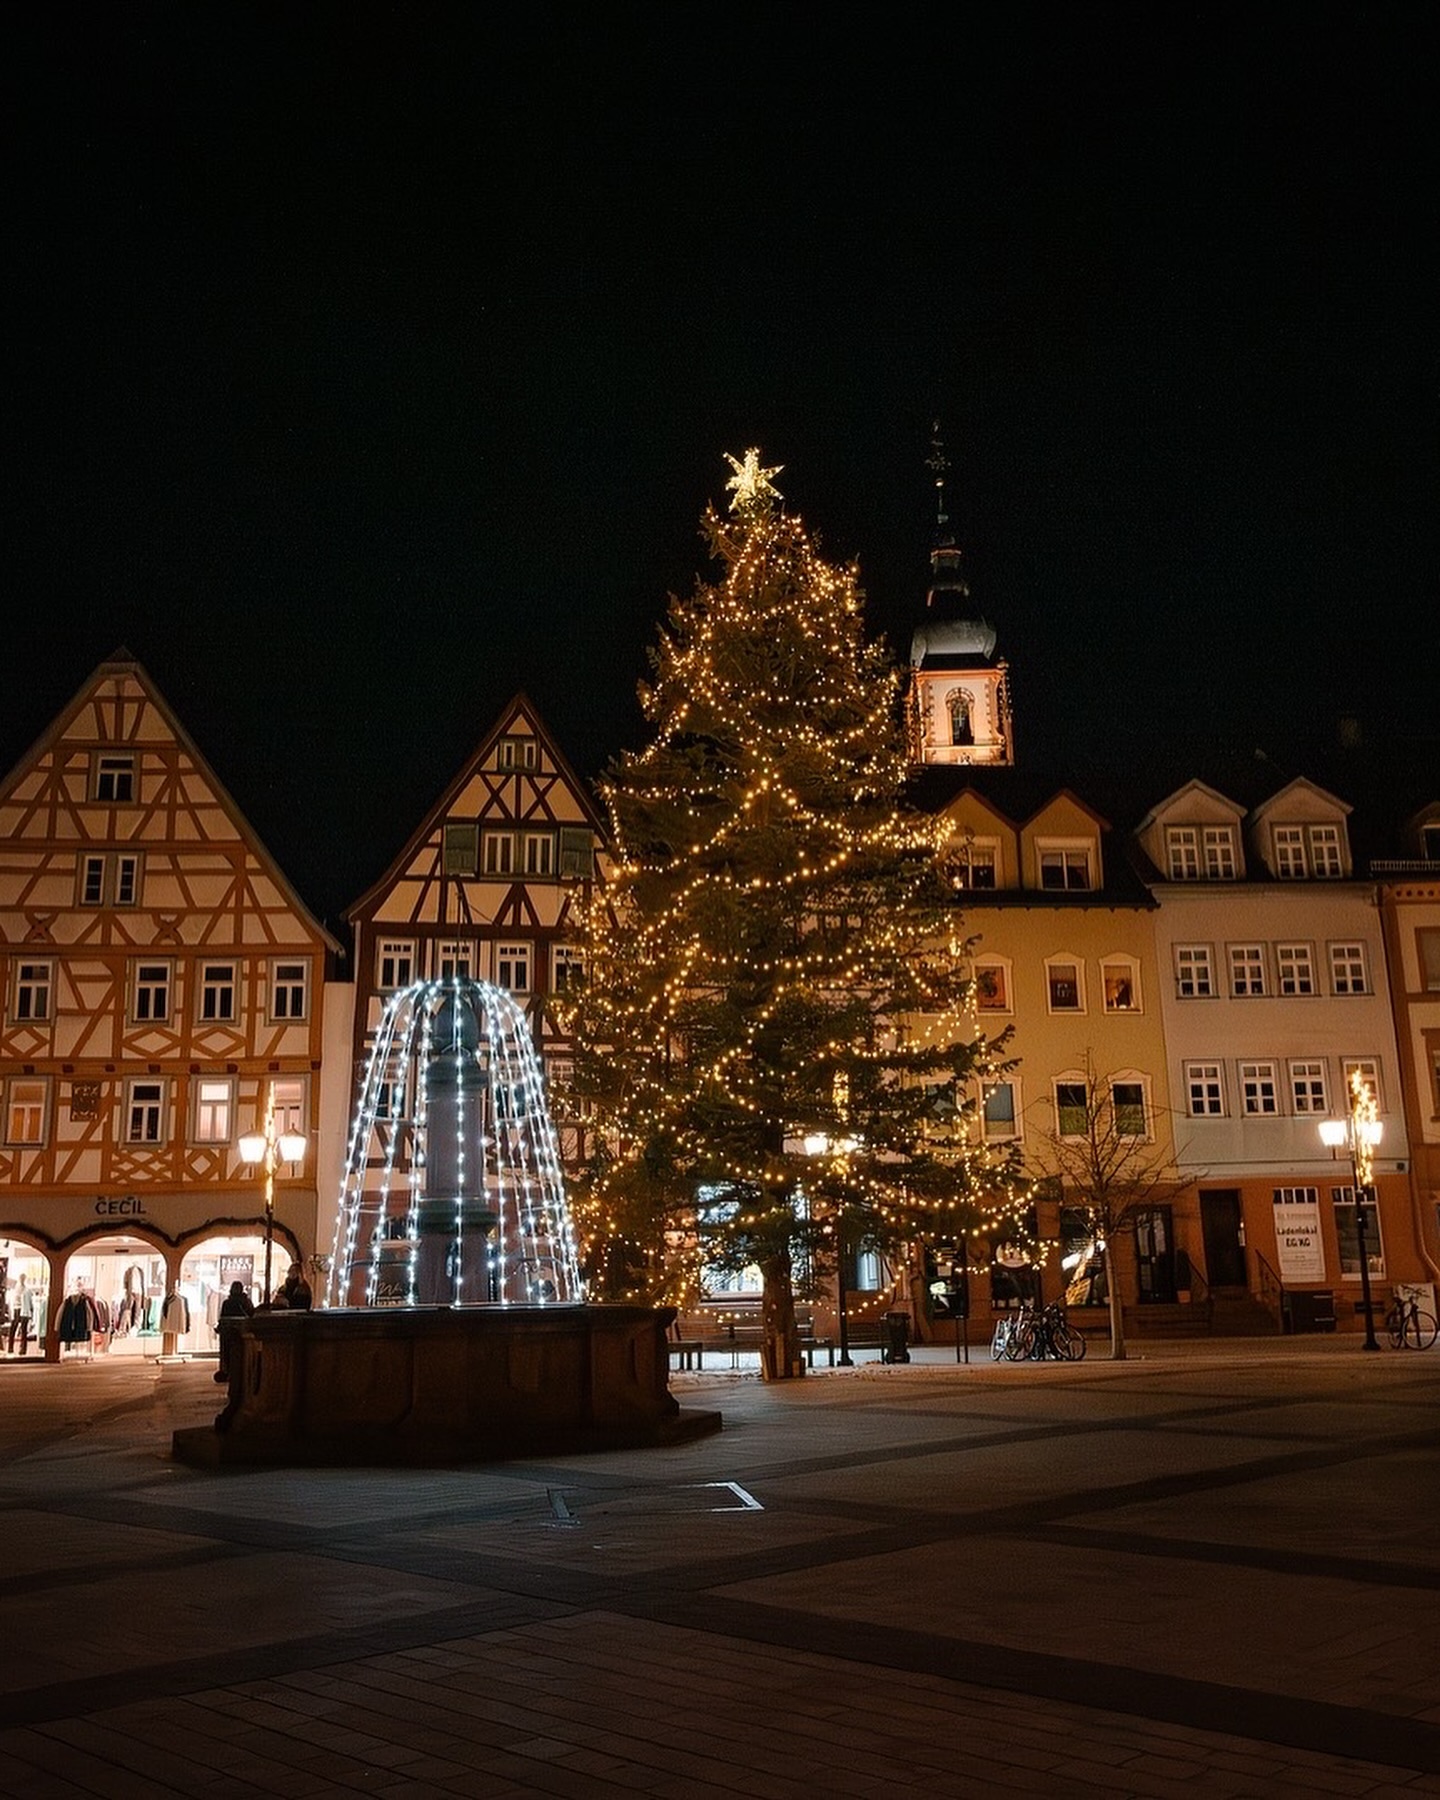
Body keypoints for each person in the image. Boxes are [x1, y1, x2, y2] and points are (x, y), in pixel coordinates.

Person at [214, 1280, 254, 1383]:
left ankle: (227, 1371)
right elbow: (251, 1315)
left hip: (228, 1332)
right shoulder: (246, 1301)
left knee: (227, 1354)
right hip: (242, 1332)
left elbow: (223, 1317)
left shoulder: (227, 1302)